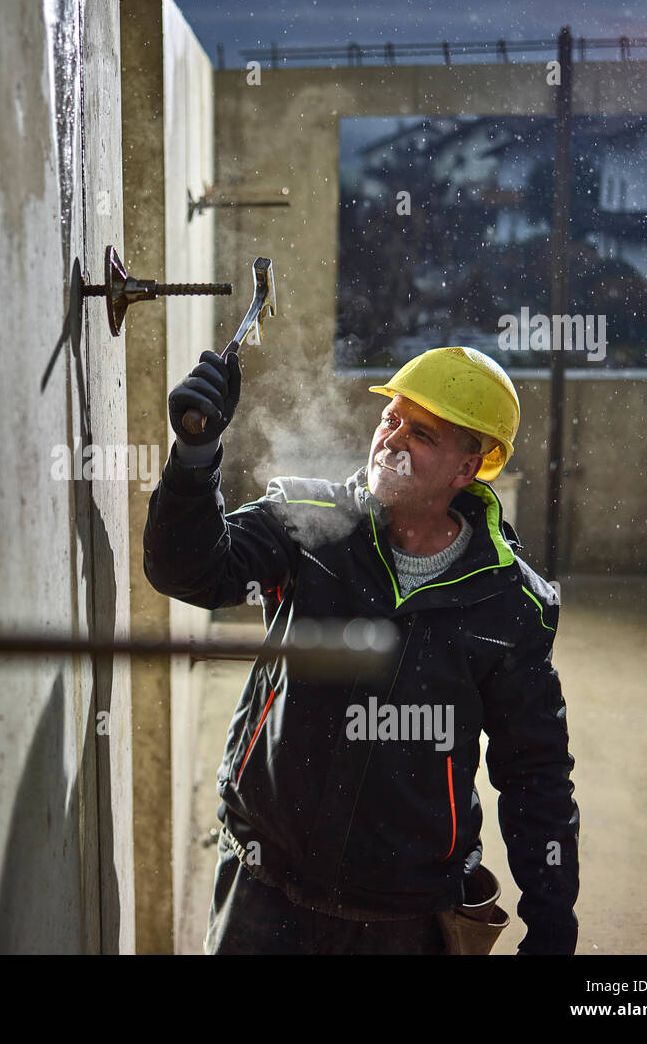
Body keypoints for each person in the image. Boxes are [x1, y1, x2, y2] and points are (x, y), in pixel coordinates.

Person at [144, 345, 579, 955]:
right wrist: (194, 458)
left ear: (468, 468)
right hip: (266, 881)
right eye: (391, 419)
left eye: (422, 433)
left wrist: (553, 919)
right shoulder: (308, 523)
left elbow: (534, 773)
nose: (393, 440)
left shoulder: (510, 603)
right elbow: (188, 573)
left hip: (403, 911)